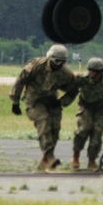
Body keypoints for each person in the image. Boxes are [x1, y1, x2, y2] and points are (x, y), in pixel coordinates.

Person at [9, 43, 79, 171]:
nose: (59, 64)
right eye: (56, 61)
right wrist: (15, 102)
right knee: (44, 121)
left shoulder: (65, 73)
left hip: (51, 101)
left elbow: (73, 90)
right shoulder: (36, 66)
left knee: (55, 128)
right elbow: (20, 81)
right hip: (34, 101)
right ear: (49, 58)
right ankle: (50, 156)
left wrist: (61, 102)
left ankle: (44, 160)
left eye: (62, 62)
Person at [71, 57, 103, 170]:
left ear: (100, 72)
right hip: (85, 107)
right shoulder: (82, 79)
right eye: (90, 70)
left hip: (100, 108)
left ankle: (92, 160)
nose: (91, 73)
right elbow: (69, 88)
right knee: (84, 129)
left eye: (94, 71)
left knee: (97, 133)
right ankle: (75, 156)